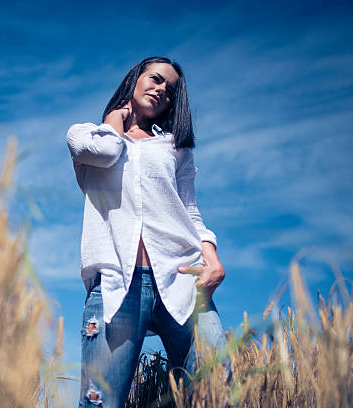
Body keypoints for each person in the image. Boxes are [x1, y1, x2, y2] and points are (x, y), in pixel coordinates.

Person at [66, 57, 227, 407]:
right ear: (134, 79)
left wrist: (211, 255)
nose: (161, 90)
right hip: (116, 285)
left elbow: (190, 210)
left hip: (182, 276)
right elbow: (107, 150)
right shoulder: (86, 137)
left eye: (169, 90)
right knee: (101, 401)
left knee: (218, 388)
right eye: (155, 79)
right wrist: (115, 119)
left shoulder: (175, 148)